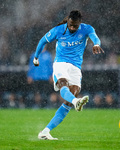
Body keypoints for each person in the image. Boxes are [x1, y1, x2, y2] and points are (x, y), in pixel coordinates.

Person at [33, 10, 104, 140]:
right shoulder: (59, 30)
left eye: (75, 26)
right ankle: (77, 101)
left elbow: (95, 37)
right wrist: (36, 57)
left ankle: (45, 131)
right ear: (68, 21)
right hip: (61, 64)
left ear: (79, 23)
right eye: (70, 24)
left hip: (76, 68)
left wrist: (97, 44)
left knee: (68, 101)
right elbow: (43, 41)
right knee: (63, 85)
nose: (72, 28)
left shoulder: (86, 29)